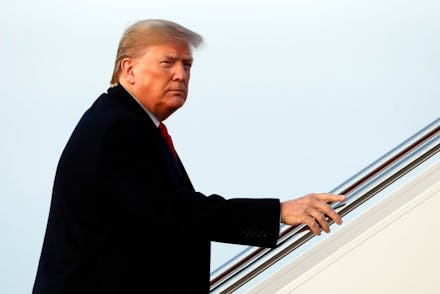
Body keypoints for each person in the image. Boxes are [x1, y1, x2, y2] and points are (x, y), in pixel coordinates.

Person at [32, 19, 345, 294]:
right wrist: (277, 212)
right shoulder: (118, 128)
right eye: (168, 63)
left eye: (187, 64)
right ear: (129, 70)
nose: (181, 75)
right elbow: (178, 214)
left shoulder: (124, 121)